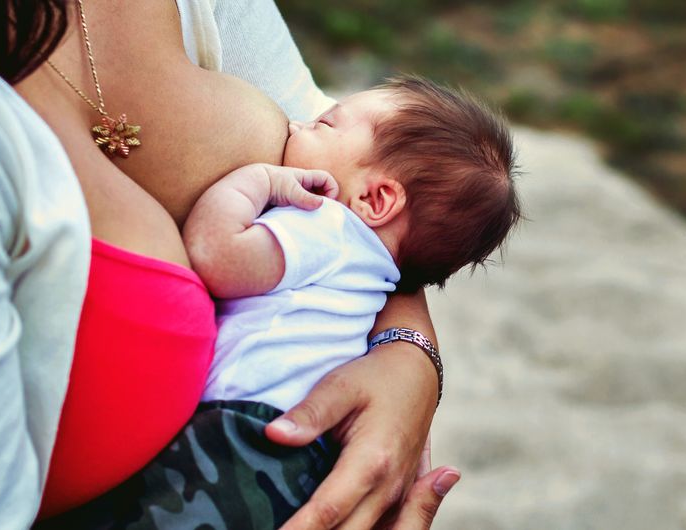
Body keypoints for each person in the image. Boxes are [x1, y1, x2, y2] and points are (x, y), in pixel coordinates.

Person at [0, 1, 456, 529]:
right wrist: (261, 181)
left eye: (318, 124)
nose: (302, 125)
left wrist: (409, 357)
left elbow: (384, 180)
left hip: (246, 455)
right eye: (315, 123)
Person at [37, 76, 520, 528]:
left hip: (246, 436)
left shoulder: (325, 225)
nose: (297, 123)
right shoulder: (373, 279)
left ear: (375, 201)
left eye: (324, 124)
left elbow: (218, 256)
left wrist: (256, 182)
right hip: (298, 452)